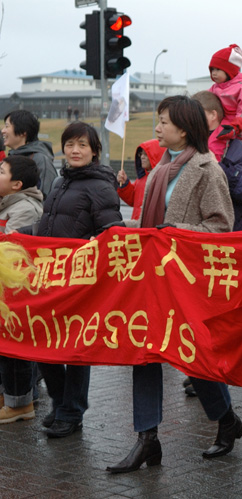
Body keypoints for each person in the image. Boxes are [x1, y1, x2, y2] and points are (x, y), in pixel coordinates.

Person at [105, 96, 240, 473]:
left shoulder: (207, 169)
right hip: (150, 280)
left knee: (193, 357)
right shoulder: (161, 169)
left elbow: (220, 227)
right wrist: (122, 227)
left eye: (163, 122)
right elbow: (151, 226)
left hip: (185, 282)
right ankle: (147, 439)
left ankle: (226, 418)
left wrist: (175, 233)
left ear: (183, 128)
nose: (157, 129)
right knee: (144, 354)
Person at [15, 121, 122, 437]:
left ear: (94, 151)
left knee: (76, 348)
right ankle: (61, 403)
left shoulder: (101, 187)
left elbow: (111, 233)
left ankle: (72, 413)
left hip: (80, 280)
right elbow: (45, 226)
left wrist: (90, 248)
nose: (74, 151)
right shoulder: (61, 182)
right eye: (70, 144)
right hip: (50, 277)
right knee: (44, 340)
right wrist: (17, 236)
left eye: (82, 145)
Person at [0, 155, 43, 424]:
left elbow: (14, 251)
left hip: (16, 291)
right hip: (5, 290)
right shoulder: (8, 203)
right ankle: (8, 396)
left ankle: (20, 404)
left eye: (1, 172)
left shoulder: (25, 208)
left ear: (16, 184)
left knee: (14, 347)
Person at [193, 90, 242, 231]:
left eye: (197, 113)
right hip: (198, 231)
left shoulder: (236, 147)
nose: (191, 118)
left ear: (213, 115)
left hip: (231, 235)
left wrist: (220, 167)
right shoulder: (189, 144)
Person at [208, 43, 242, 160]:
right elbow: (205, 100)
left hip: (237, 122)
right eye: (212, 69)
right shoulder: (216, 87)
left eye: (218, 69)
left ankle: (214, 163)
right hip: (221, 119)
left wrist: (236, 126)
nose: (214, 73)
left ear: (229, 71)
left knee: (215, 141)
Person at [2, 110, 57, 199]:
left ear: (24, 132)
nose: (3, 131)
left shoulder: (40, 159)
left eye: (7, 126)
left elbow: (47, 197)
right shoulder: (13, 157)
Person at [116, 139, 166, 220]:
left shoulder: (162, 180)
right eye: (141, 154)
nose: (142, 157)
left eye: (146, 154)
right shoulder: (141, 179)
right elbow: (132, 200)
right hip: (137, 226)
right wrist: (125, 184)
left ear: (155, 155)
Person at [0, 156, 43, 234]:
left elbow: (10, 244)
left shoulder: (25, 211)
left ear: (16, 185)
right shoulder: (3, 199)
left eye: (1, 172)